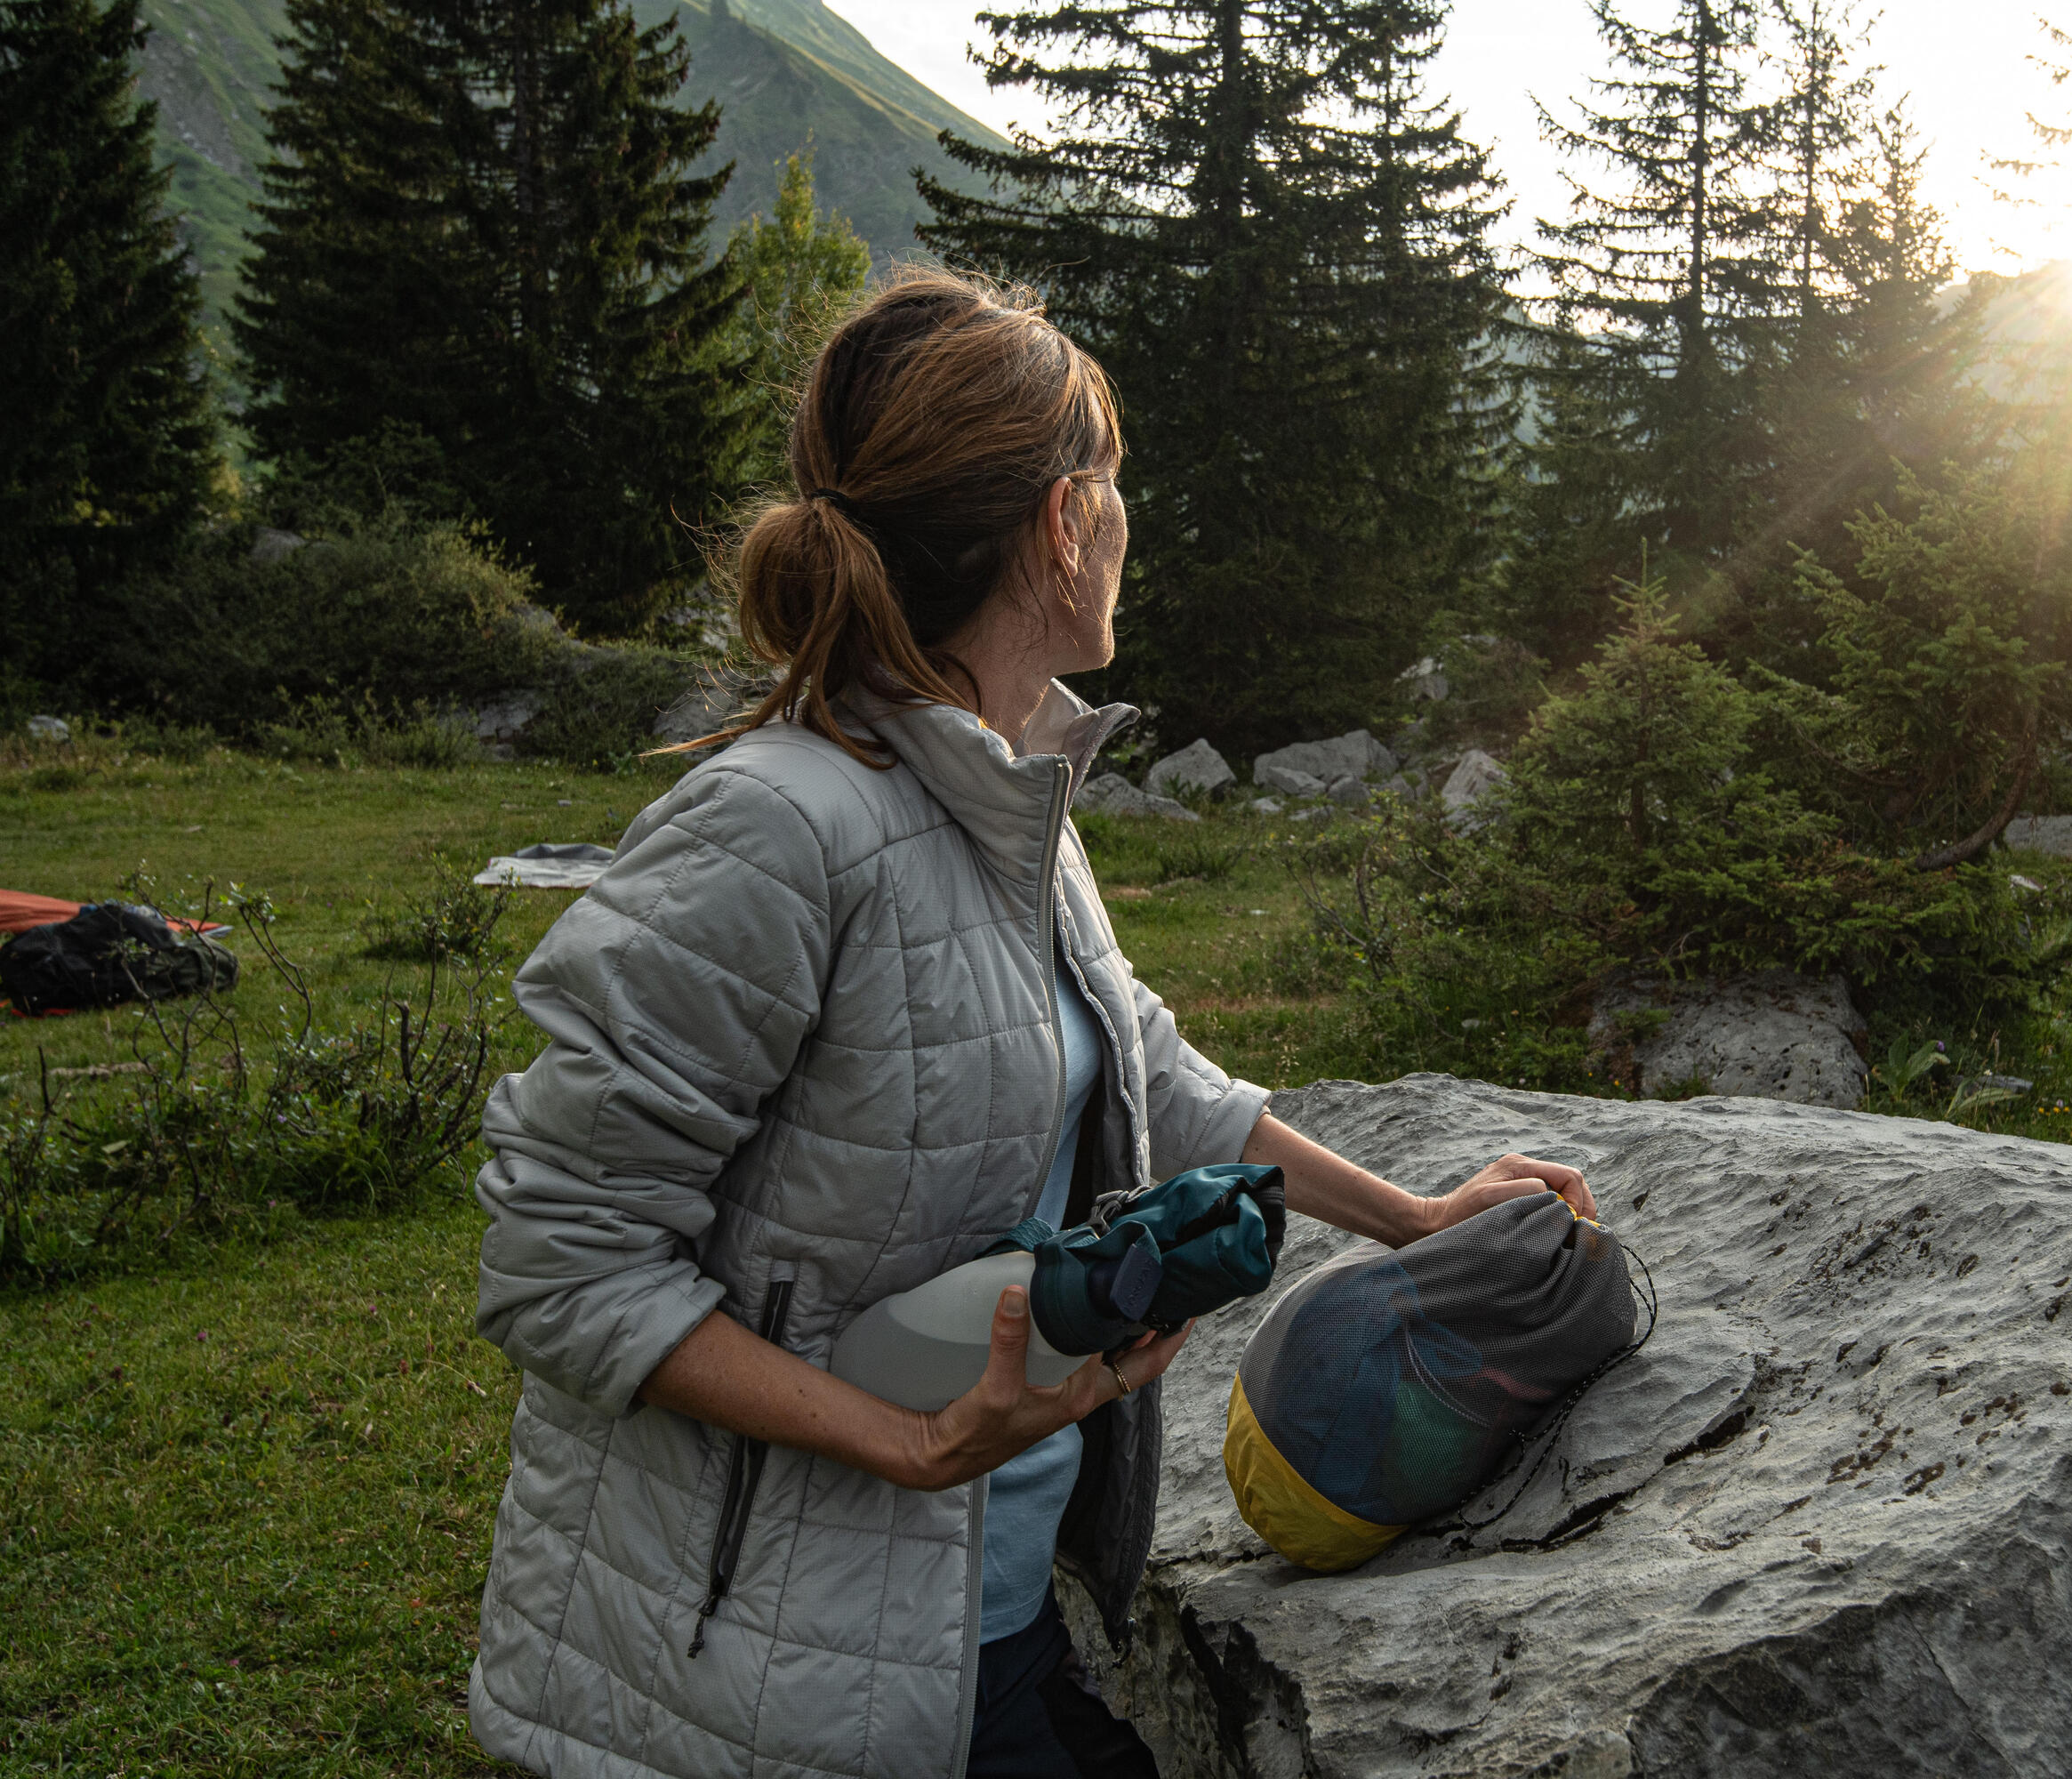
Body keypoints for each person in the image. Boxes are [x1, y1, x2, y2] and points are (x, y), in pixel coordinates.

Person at [462, 264, 1595, 1779]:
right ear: (1064, 526)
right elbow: (561, 1264)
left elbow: (1141, 1066)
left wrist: (1420, 1221)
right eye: (1113, 486)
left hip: (970, 1625)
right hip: (762, 1688)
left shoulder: (1007, 795)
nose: (1128, 523)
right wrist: (908, 1444)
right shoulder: (771, 828)